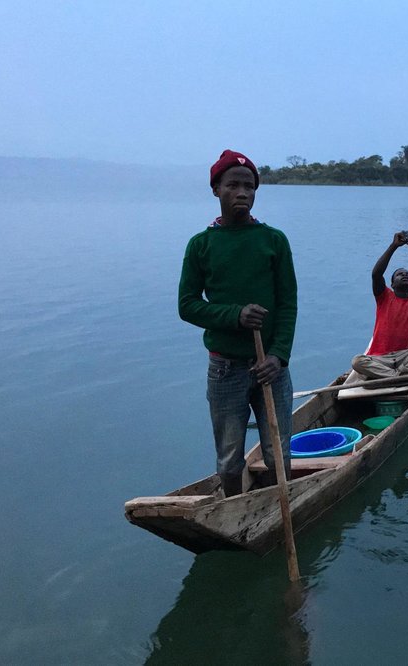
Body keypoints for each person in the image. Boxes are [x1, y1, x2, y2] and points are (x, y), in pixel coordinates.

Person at [178, 149, 297, 497]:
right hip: (225, 369)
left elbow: (288, 303)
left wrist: (278, 356)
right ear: (216, 189)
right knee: (229, 460)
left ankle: (280, 510)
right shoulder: (201, 245)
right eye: (233, 185)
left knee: (279, 454)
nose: (242, 192)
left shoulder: (273, 241)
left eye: (249, 185)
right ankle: (235, 511)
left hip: (270, 368)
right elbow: (187, 306)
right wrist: (235, 315)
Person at [351, 229, 408, 379]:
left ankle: (398, 374)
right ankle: (398, 376)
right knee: (357, 361)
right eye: (399, 274)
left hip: (405, 356)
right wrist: (393, 246)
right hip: (379, 359)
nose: (404, 275)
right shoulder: (384, 296)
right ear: (392, 284)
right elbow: (376, 274)